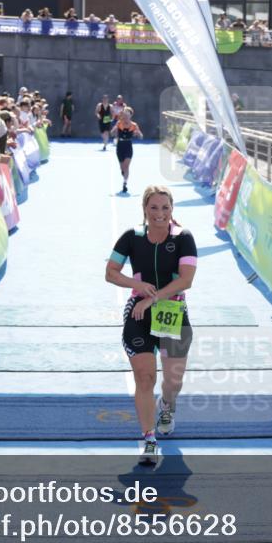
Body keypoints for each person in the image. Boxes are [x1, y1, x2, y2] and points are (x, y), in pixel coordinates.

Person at [105, 185, 197, 465]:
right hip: (138, 315)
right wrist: (137, 286)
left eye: (165, 208)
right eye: (154, 208)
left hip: (172, 312)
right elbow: (111, 272)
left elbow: (186, 281)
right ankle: (148, 438)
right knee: (145, 378)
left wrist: (153, 298)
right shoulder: (131, 237)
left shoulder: (184, 238)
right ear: (145, 209)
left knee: (173, 381)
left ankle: (167, 406)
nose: (160, 214)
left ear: (172, 210)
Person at [110, 108, 143, 194]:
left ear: (130, 115)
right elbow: (112, 132)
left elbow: (141, 136)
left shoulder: (134, 125)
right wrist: (114, 131)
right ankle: (124, 174)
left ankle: (125, 183)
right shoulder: (119, 123)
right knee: (122, 167)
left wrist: (138, 134)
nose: (126, 115)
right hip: (120, 146)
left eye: (127, 114)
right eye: (124, 113)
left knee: (126, 166)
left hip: (128, 146)